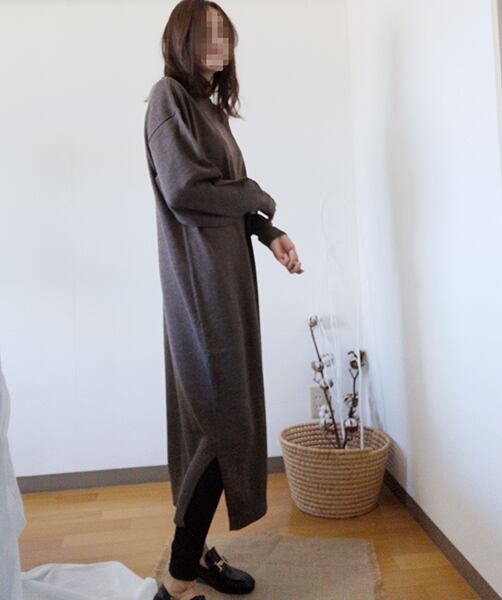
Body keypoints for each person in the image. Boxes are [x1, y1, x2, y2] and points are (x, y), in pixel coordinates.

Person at [144, 1, 303, 598]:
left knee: (213, 423)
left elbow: (223, 197)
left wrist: (267, 230)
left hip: (229, 278)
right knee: (222, 422)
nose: (219, 44)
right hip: (200, 284)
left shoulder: (211, 110)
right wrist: (258, 194)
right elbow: (188, 191)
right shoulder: (168, 98)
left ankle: (196, 554)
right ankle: (178, 579)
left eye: (225, 35)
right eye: (206, 34)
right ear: (180, 40)